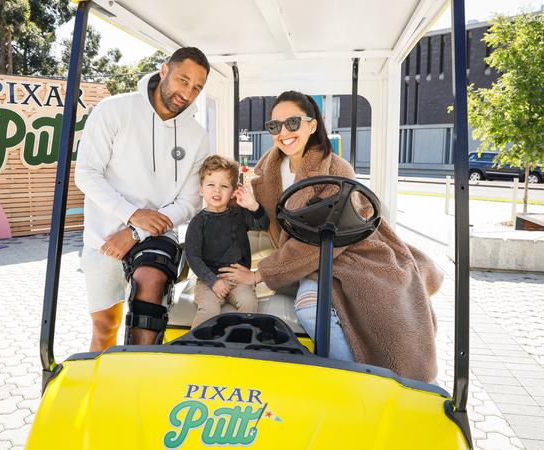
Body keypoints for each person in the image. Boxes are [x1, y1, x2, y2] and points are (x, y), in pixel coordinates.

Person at [218, 91, 443, 383]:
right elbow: (269, 220)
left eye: (293, 123)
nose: (283, 133)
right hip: (307, 259)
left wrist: (259, 274)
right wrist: (246, 205)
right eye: (275, 126)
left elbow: (325, 239)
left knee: (314, 309)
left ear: (312, 125)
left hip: (351, 254)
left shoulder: (337, 169)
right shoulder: (267, 168)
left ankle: (357, 381)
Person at [75, 47, 211, 350]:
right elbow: (86, 174)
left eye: (196, 88)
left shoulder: (197, 136)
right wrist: (131, 215)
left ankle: (139, 370)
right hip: (104, 236)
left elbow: (190, 202)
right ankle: (104, 388)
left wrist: (137, 231)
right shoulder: (113, 110)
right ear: (164, 71)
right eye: (182, 80)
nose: (187, 93)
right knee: (104, 327)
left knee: (149, 289)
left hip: (158, 233)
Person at [185, 155, 270, 328]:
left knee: (249, 303)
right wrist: (213, 281)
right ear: (201, 189)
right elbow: (193, 257)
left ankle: (239, 342)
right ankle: (197, 346)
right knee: (209, 310)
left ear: (233, 191)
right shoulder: (198, 222)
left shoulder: (239, 214)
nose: (217, 191)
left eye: (224, 186)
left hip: (238, 279)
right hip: (208, 281)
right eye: (211, 185)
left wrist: (253, 206)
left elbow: (263, 224)